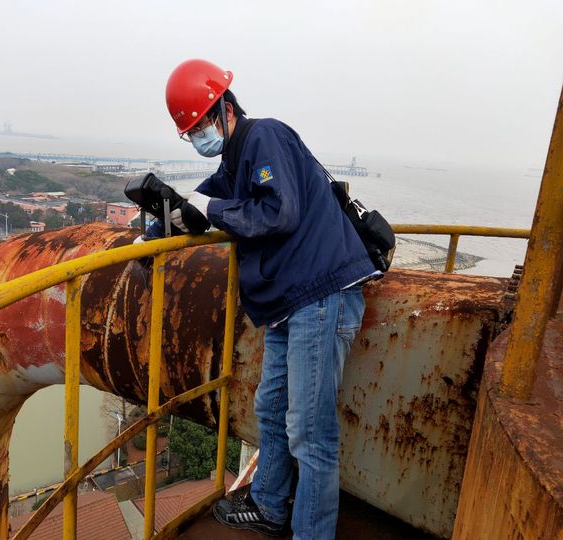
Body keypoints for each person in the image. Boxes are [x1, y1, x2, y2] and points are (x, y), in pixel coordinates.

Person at [150, 59, 376, 540]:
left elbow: (280, 212)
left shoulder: (264, 136)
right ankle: (271, 508)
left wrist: (212, 206)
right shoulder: (232, 164)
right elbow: (193, 208)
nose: (197, 139)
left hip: (321, 294)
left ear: (225, 108)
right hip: (287, 305)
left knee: (310, 434)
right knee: (272, 410)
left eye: (199, 127)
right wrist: (146, 234)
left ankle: (311, 533)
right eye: (190, 133)